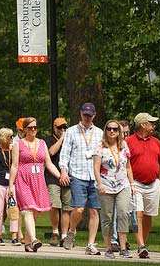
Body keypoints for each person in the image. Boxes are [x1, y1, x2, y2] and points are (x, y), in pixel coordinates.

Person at [8, 117, 61, 252]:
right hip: (23, 179)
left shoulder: (42, 143)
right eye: (30, 127)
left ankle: (27, 243)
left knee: (35, 211)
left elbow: (48, 163)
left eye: (35, 127)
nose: (33, 130)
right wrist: (10, 186)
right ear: (24, 129)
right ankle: (34, 239)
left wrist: (61, 176)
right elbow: (14, 166)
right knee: (27, 210)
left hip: (38, 180)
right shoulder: (18, 144)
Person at [59, 103, 103, 255]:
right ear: (80, 114)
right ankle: (72, 231)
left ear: (94, 115)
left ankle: (90, 244)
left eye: (90, 115)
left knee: (94, 211)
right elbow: (65, 153)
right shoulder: (71, 131)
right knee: (78, 208)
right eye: (85, 115)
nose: (87, 118)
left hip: (95, 176)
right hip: (77, 174)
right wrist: (63, 171)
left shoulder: (99, 133)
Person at [126, 112, 160, 259]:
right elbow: (125, 164)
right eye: (151, 123)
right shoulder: (128, 142)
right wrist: (129, 182)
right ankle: (142, 246)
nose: (153, 125)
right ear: (143, 124)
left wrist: (159, 182)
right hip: (135, 183)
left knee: (148, 215)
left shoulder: (156, 142)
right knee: (138, 213)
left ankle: (141, 245)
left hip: (153, 185)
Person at [93, 120, 134, 259]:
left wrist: (132, 184)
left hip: (123, 184)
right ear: (105, 131)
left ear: (119, 132)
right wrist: (100, 184)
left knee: (123, 213)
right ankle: (109, 248)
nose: (112, 131)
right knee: (108, 217)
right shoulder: (100, 146)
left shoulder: (124, 145)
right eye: (109, 129)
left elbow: (128, 167)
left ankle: (123, 248)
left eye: (115, 129)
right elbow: (96, 168)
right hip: (106, 185)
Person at [0, 128, 22, 246]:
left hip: (11, 184)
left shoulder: (13, 150)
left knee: (13, 209)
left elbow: (16, 165)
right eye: (10, 137)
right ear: (4, 138)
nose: (12, 139)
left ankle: (14, 236)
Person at [43, 117, 72, 246]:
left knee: (67, 207)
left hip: (68, 177)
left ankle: (64, 235)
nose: (62, 130)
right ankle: (55, 231)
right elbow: (50, 152)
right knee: (55, 205)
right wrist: (61, 139)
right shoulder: (47, 140)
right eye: (60, 127)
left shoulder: (71, 140)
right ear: (54, 128)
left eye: (64, 127)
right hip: (52, 178)